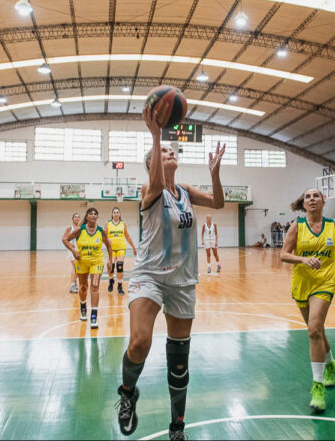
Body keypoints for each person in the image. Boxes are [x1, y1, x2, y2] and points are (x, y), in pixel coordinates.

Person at [115, 105, 225, 440]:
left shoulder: (187, 192)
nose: (169, 151)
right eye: (162, 151)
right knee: (139, 341)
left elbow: (219, 204)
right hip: (148, 275)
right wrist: (155, 133)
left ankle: (177, 426)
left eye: (172, 149)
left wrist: (215, 173)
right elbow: (156, 180)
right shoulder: (150, 191)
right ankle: (127, 393)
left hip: (182, 282)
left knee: (179, 361)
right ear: (151, 164)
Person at [280, 187, 335, 413]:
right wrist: (302, 259)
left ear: (323, 202)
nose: (312, 199)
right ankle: (330, 363)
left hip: (324, 283)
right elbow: (283, 254)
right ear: (304, 204)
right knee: (317, 330)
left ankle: (317, 387)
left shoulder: (334, 226)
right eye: (308, 197)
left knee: (313, 330)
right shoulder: (297, 226)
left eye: (316, 196)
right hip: (301, 284)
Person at [62, 207, 113, 329]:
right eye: (91, 213)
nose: (93, 215)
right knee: (83, 287)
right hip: (82, 262)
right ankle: (83, 307)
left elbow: (109, 246)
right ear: (87, 217)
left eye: (95, 214)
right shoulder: (80, 229)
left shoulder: (101, 231)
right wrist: (74, 251)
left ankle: (94, 316)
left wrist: (110, 261)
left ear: (97, 217)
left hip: (97, 262)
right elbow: (65, 239)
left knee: (95, 286)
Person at [106, 206, 137, 296]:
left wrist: (133, 247)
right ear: (112, 214)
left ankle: (120, 286)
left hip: (121, 247)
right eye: (114, 212)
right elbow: (103, 235)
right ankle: (111, 280)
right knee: (110, 268)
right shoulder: (107, 223)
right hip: (111, 249)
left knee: (119, 266)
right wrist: (107, 238)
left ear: (120, 214)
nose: (116, 214)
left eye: (117, 212)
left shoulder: (123, 224)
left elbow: (127, 236)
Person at [64, 213, 81, 294]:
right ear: (72, 218)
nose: (77, 218)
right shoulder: (69, 228)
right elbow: (65, 239)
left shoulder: (80, 228)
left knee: (78, 267)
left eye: (78, 217)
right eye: (75, 217)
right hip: (71, 249)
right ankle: (72, 285)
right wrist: (70, 244)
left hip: (79, 250)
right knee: (75, 266)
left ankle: (74, 283)